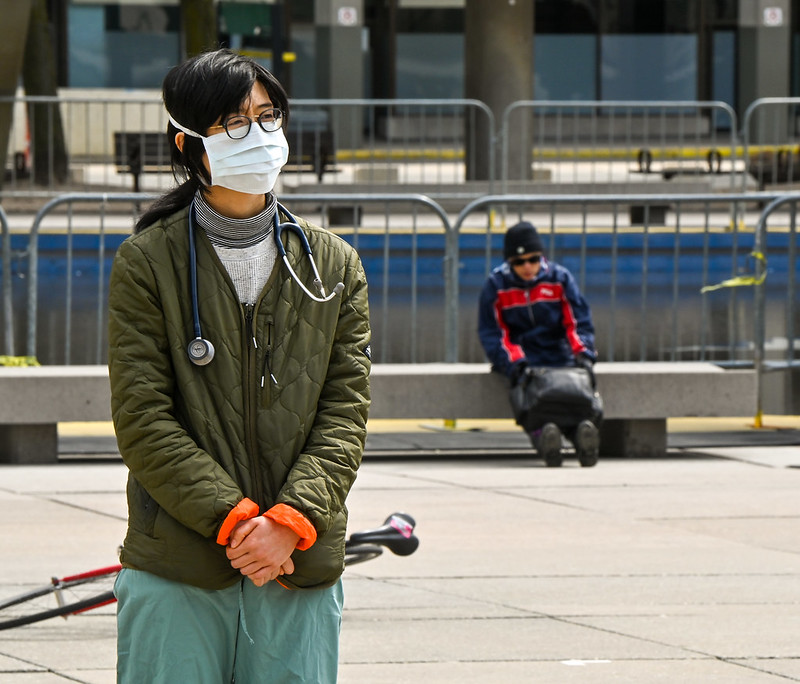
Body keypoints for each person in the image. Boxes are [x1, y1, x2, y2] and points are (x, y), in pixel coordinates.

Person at [107, 48, 371, 683]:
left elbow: (345, 413)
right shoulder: (148, 263)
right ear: (192, 144)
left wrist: (289, 521)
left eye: (268, 114)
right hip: (181, 559)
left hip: (297, 559)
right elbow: (144, 420)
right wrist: (234, 521)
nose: (258, 134)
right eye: (232, 121)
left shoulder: (332, 266)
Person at [478, 221, 599, 467]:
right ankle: (544, 439)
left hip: (560, 355)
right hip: (522, 359)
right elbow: (494, 333)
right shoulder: (496, 286)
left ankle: (581, 437)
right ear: (509, 262)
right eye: (519, 262)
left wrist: (584, 354)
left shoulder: (560, 279)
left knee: (578, 395)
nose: (527, 267)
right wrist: (514, 363)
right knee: (527, 399)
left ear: (541, 257)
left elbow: (577, 323)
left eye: (533, 260)